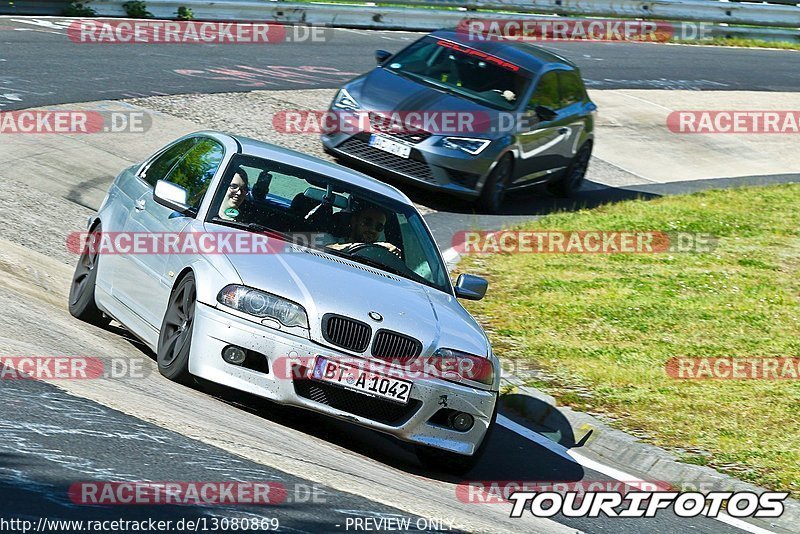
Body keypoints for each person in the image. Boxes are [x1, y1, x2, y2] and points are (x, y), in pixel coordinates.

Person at [326, 205, 401, 256]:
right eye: (367, 222)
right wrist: (373, 246)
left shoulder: (379, 255)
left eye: (379, 227)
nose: (372, 230)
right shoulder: (331, 240)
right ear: (354, 221)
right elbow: (321, 250)